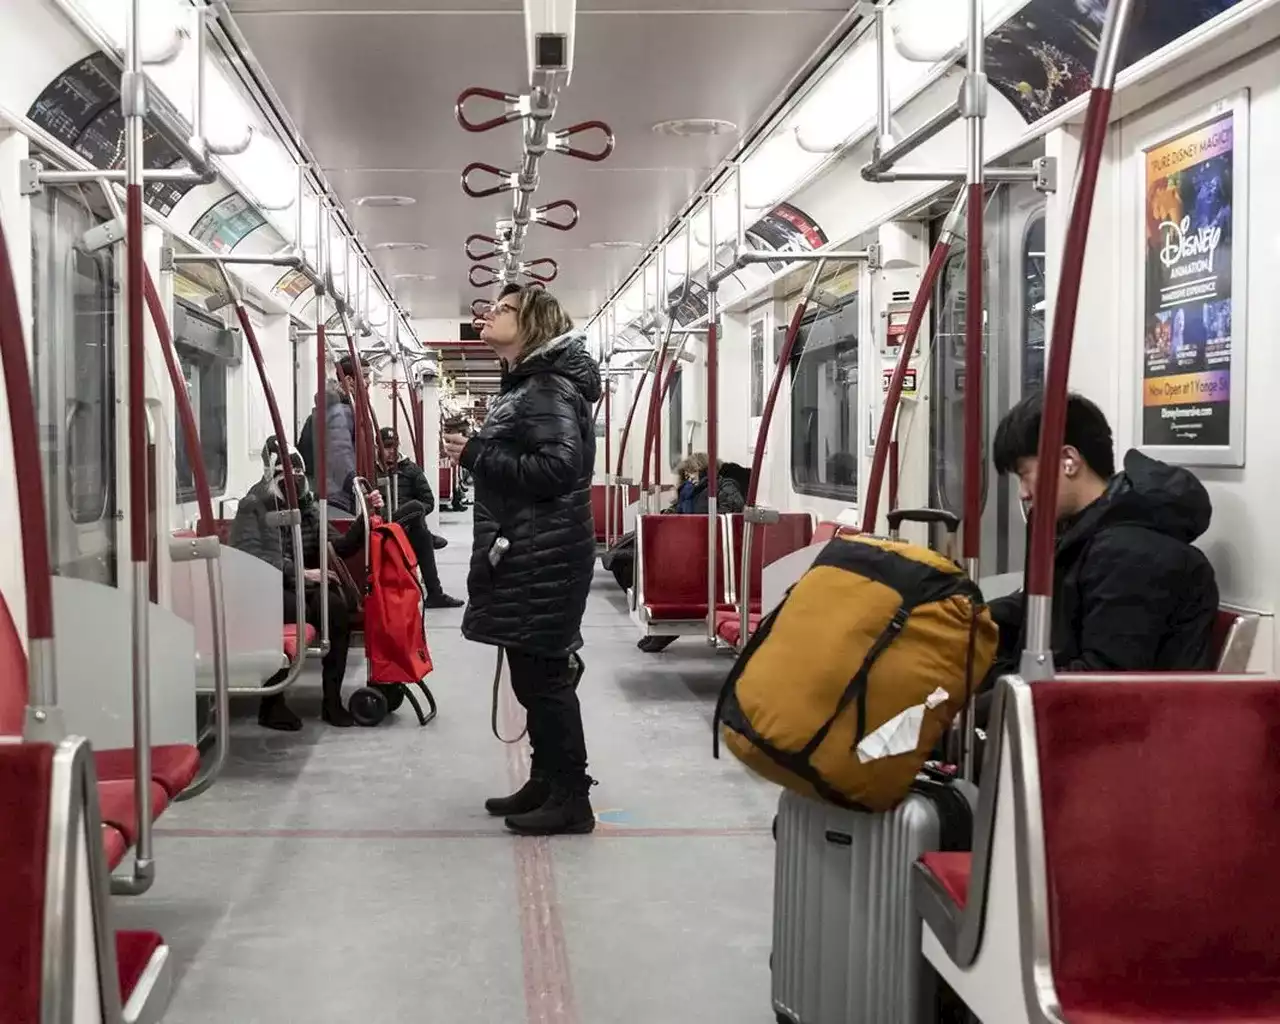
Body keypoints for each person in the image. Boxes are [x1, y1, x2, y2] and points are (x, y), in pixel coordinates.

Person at [443, 286, 601, 837]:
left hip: (544, 552)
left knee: (546, 680)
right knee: (533, 678)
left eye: (505, 310)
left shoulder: (547, 386)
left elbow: (558, 468)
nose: (490, 314)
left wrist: (477, 453)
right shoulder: (532, 385)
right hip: (533, 548)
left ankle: (572, 799)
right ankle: (546, 780)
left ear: (533, 325)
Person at [985, 391, 1218, 688]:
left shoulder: (1132, 555)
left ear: (1068, 460)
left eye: (1024, 474)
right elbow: (1044, 609)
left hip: (1129, 726)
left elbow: (1102, 679)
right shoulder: (1079, 531)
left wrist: (993, 701)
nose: (1024, 494)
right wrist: (974, 619)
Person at [230, 437, 383, 731]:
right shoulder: (254, 505)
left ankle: (331, 700)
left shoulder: (306, 505)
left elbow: (338, 546)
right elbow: (249, 557)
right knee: (286, 610)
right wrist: (299, 572)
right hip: (266, 588)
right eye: (289, 475)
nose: (296, 481)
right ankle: (271, 705)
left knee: (336, 609)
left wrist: (366, 517)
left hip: (301, 585)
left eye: (300, 475)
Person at [376, 426, 464, 609]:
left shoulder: (411, 470)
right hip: (383, 523)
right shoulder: (371, 469)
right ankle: (428, 538)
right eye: (386, 446)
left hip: (406, 526)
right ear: (378, 447)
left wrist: (411, 515)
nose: (391, 451)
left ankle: (435, 594)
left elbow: (428, 501)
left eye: (394, 446)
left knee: (419, 528)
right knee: (418, 521)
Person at [298, 354, 368, 515]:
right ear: (349, 381)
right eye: (365, 376)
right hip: (339, 495)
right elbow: (341, 457)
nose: (369, 381)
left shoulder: (328, 411)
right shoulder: (341, 412)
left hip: (327, 491)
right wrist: (359, 487)